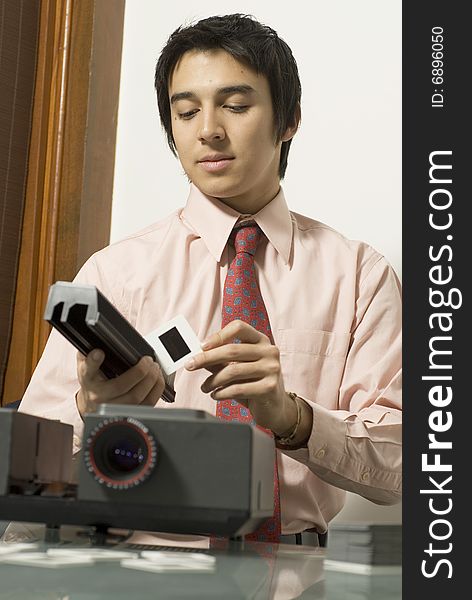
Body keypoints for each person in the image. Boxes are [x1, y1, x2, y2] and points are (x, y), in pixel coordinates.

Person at [19, 14, 402, 546]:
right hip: (138, 570)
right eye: (185, 111)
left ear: (288, 119)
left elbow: (405, 468)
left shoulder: (360, 276)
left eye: (236, 105)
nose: (208, 130)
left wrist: (292, 418)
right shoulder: (116, 273)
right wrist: (94, 415)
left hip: (296, 575)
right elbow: (32, 476)